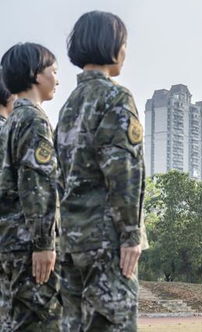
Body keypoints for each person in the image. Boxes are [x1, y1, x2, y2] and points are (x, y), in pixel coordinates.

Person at [55, 11, 145, 331]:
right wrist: (131, 234)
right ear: (111, 46)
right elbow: (123, 172)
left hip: (70, 239)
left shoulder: (69, 105)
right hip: (106, 240)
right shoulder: (115, 97)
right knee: (113, 323)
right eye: (123, 43)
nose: (125, 51)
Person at [0, 42, 61, 331]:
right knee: (43, 322)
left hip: (10, 243)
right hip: (29, 247)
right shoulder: (34, 120)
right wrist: (44, 244)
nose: (57, 78)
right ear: (36, 75)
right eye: (53, 71)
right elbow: (38, 184)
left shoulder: (11, 121)